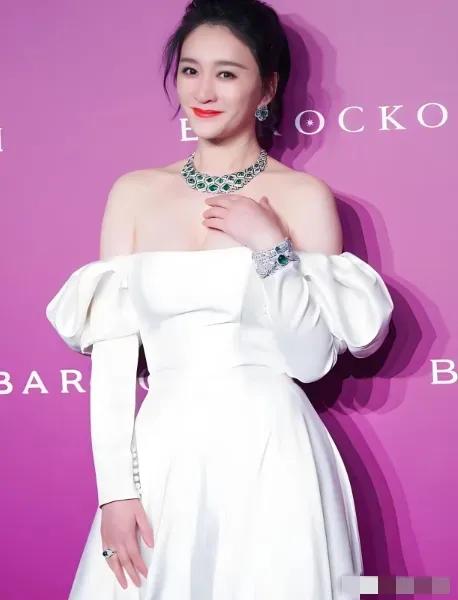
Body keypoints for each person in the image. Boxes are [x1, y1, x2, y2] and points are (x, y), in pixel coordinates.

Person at [46, 0, 394, 598]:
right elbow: (113, 357)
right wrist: (115, 493)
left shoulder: (302, 196)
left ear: (267, 88)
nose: (203, 91)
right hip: (163, 448)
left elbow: (310, 361)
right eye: (190, 70)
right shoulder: (134, 194)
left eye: (227, 73)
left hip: (271, 449)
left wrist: (273, 251)